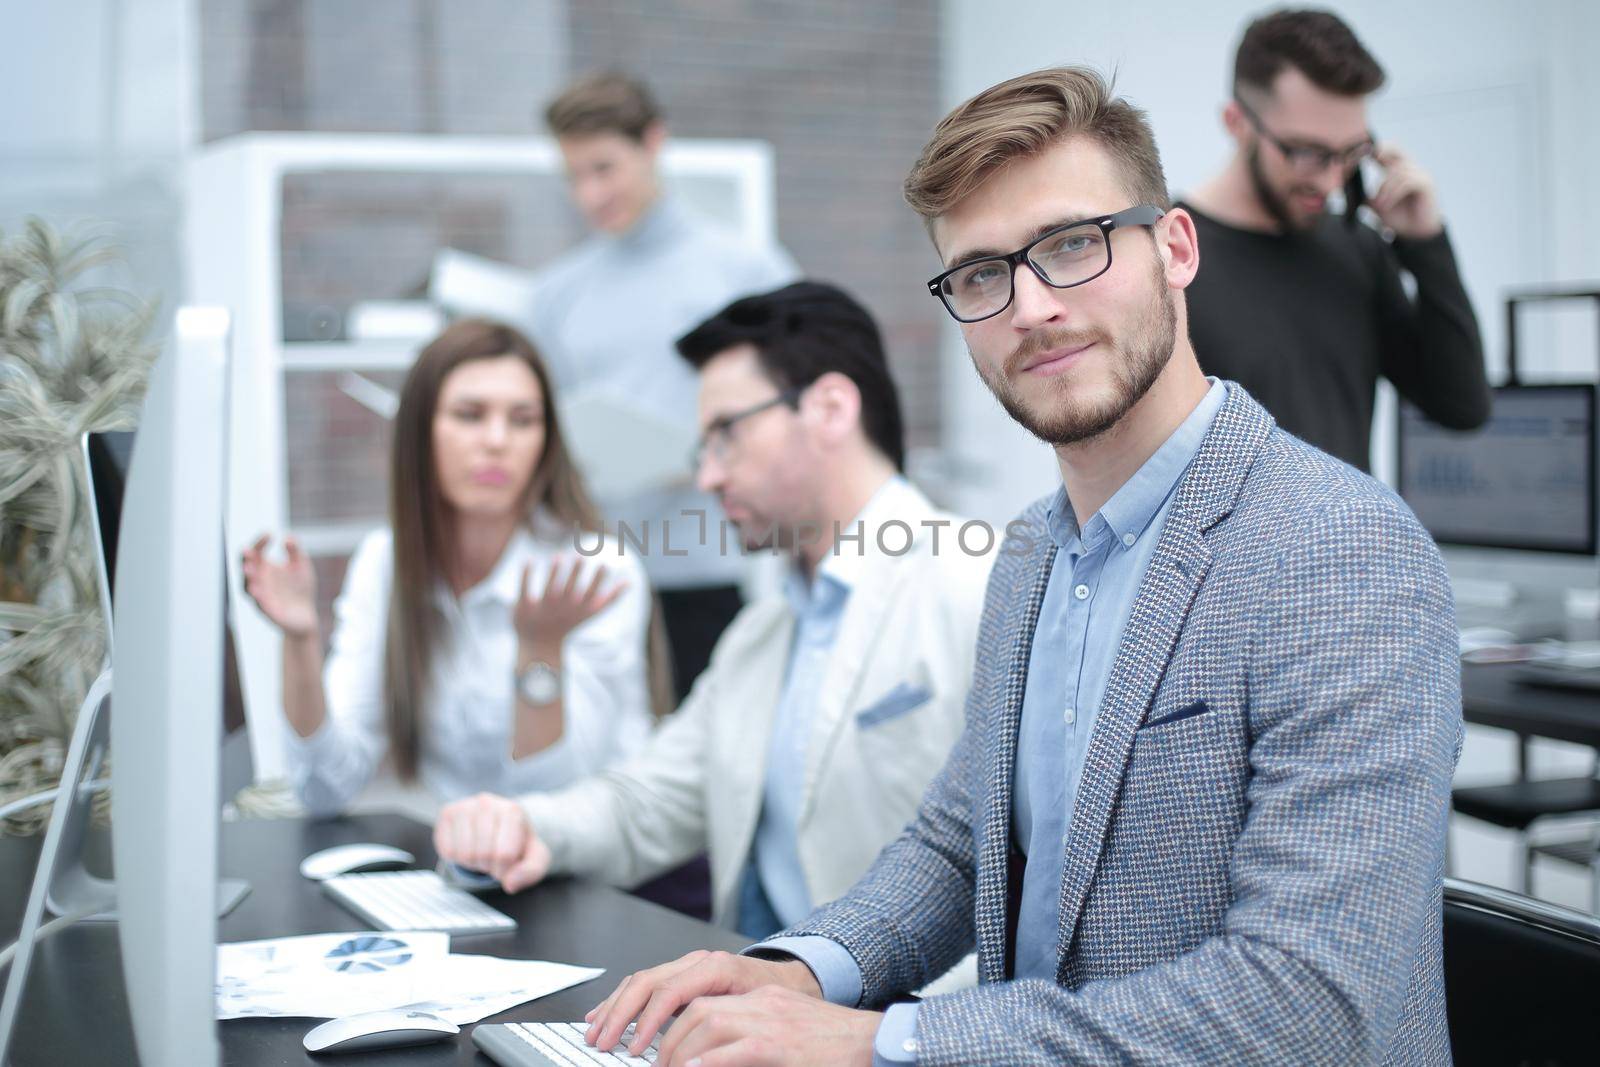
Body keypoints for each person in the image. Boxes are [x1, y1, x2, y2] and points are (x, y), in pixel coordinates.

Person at [578, 67, 1463, 1067]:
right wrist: (795, 969)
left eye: (1072, 244)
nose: (1030, 306)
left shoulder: (1340, 552)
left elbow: (1308, 1001)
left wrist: (879, 1040)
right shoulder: (1032, 552)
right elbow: (959, 846)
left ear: (1175, 248)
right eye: (981, 274)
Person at [432, 282, 993, 944]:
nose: (707, 478)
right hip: (756, 1012)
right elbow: (645, 804)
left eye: (725, 434)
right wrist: (522, 825)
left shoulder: (977, 588)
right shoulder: (763, 634)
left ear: (831, 409)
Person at [242, 319, 662, 817]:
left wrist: (539, 654)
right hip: (461, 868)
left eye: (523, 420)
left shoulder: (596, 569)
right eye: (469, 415)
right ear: (421, 433)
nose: (497, 440)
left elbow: (555, 803)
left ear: (546, 442)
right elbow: (325, 788)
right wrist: (300, 641)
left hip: (591, 869)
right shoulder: (386, 562)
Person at [528, 71, 800, 700]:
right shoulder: (553, 297)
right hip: (595, 586)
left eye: (604, 168)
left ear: (653, 143)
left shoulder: (743, 272)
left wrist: (711, 451)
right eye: (574, 177)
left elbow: (799, 401)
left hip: (712, 577)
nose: (590, 194)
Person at [1180, 8, 1489, 471]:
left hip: (1347, 542)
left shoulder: (1356, 248)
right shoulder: (1167, 258)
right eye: (1307, 153)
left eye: (1350, 153)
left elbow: (1462, 406)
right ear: (1236, 122)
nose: (1329, 182)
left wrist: (1425, 243)